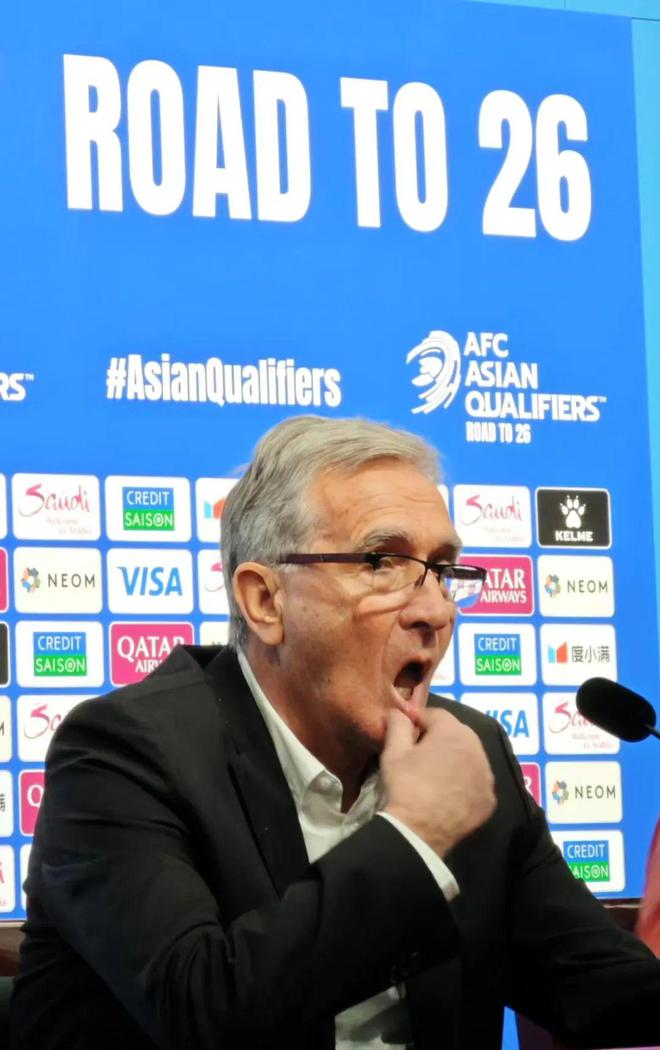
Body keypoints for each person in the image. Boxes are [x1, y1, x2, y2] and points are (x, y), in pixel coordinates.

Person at [12, 416, 660, 1050]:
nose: (434, 609)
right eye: (382, 562)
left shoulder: (470, 749)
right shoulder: (124, 752)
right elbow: (204, 1012)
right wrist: (416, 836)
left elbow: (597, 985)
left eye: (442, 569)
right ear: (266, 602)